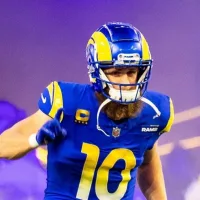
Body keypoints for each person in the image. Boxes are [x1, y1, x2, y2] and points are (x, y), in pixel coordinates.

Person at [0, 22, 174, 200]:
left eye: (131, 71)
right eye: (116, 72)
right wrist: (34, 139)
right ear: (95, 71)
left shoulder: (153, 112)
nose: (126, 82)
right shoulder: (66, 102)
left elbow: (147, 163)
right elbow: (3, 145)